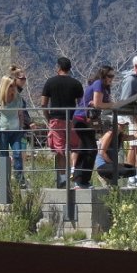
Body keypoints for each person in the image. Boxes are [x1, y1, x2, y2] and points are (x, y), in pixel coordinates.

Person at [40, 56, 84, 189]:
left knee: (59, 150)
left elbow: (43, 104)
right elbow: (81, 104)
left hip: (56, 119)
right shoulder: (76, 83)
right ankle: (75, 175)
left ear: (58, 68)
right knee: (75, 147)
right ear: (70, 68)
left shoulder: (50, 82)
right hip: (72, 119)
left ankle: (62, 180)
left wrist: (48, 118)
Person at [0, 71, 29, 187]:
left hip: (16, 131)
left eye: (13, 85)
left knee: (17, 154)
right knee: (3, 155)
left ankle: (20, 180)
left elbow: (21, 114)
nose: (13, 88)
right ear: (5, 86)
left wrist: (21, 128)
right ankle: (4, 181)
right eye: (10, 85)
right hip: (3, 131)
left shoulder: (18, 98)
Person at [116, 54, 137, 176]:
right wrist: (132, 118)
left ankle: (136, 173)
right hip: (133, 116)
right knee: (135, 145)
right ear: (135, 66)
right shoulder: (131, 80)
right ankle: (131, 174)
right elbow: (125, 100)